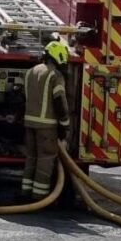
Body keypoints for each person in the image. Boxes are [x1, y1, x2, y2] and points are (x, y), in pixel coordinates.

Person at [21, 39, 71, 198]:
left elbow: (23, 97)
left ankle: (26, 192)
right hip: (47, 127)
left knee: (31, 158)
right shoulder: (55, 75)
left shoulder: (31, 72)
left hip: (29, 124)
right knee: (45, 160)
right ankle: (39, 197)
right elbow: (59, 102)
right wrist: (65, 127)